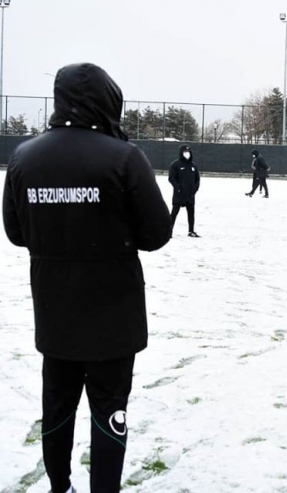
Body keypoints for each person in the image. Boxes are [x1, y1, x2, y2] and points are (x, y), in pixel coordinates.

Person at [2, 63, 172, 493]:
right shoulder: (124, 156)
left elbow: (16, 232)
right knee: (109, 409)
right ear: (107, 99)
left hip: (55, 310)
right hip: (113, 317)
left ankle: (60, 487)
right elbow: (157, 233)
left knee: (57, 406)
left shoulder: (24, 158)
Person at [168, 144, 201, 237]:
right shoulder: (175, 164)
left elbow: (197, 179)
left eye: (188, 152)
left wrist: (195, 189)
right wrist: (178, 188)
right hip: (179, 194)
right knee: (174, 213)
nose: (187, 154)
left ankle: (191, 231)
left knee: (191, 213)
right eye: (185, 152)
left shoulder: (193, 165)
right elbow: (171, 178)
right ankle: (168, 232)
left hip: (190, 195)